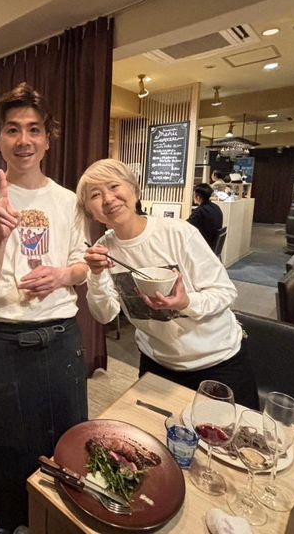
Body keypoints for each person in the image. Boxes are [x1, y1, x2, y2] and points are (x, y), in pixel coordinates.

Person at [0, 83, 89, 533]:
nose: (24, 140)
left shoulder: (68, 200)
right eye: (12, 130)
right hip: (6, 339)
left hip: (63, 337)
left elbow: (83, 264)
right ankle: (9, 521)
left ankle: (62, 517)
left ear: (48, 139)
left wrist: (62, 275)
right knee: (5, 443)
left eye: (34, 130)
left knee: (68, 436)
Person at [78, 159, 258, 409]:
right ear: (90, 211)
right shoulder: (103, 252)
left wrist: (186, 302)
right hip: (157, 363)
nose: (108, 199)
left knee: (228, 433)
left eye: (114, 186)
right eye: (95, 195)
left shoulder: (178, 233)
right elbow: (105, 314)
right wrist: (96, 275)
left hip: (218, 361)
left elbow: (225, 292)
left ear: (134, 190)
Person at [187, 183, 223, 249]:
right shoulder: (216, 207)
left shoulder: (199, 211)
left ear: (198, 197)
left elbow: (186, 226)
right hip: (212, 245)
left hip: (204, 246)